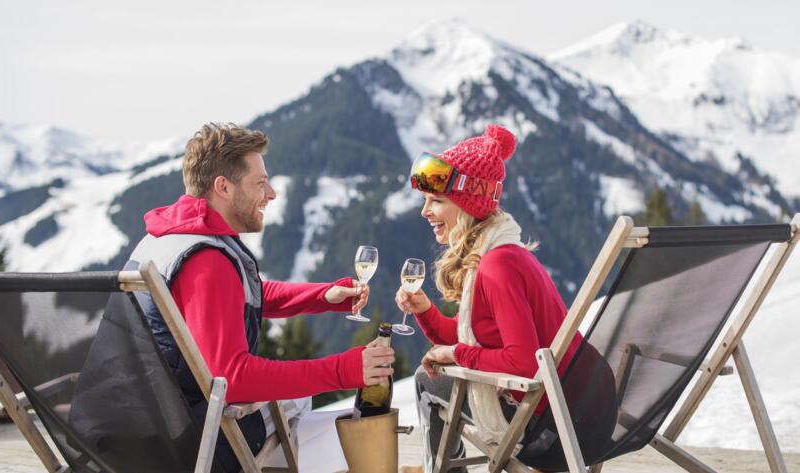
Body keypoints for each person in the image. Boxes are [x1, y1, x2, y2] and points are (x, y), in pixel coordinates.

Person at [125, 123, 394, 472]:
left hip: (140, 423)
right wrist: (345, 369)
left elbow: (231, 297)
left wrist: (323, 295)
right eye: (259, 182)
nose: (271, 193)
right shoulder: (206, 259)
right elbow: (231, 379)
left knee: (296, 405)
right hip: (191, 441)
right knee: (314, 413)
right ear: (223, 187)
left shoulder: (168, 239)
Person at [394, 124, 603, 472]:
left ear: (467, 204)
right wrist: (427, 311)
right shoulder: (505, 251)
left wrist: (455, 354)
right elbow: (480, 337)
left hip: (553, 431)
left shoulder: (496, 267)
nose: (424, 211)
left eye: (436, 201)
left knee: (426, 381)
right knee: (442, 374)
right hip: (583, 415)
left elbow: (522, 363)